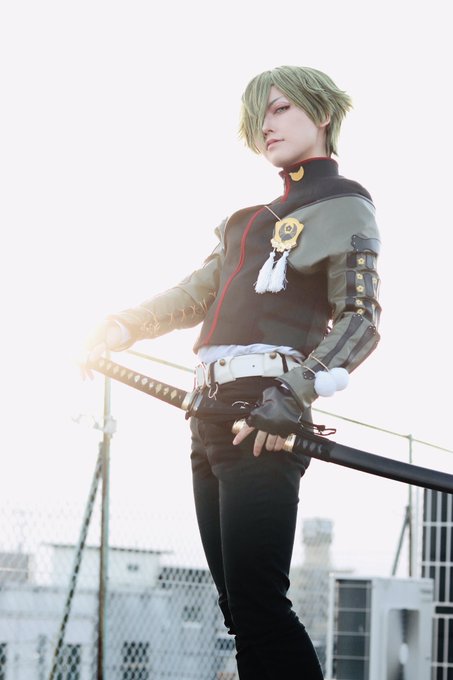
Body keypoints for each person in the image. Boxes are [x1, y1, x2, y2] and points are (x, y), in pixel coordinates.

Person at [83, 65, 381, 679]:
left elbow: (361, 320)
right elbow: (193, 294)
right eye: (259, 116)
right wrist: (118, 326)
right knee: (239, 612)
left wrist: (293, 396)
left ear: (322, 113)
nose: (266, 125)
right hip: (208, 414)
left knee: (260, 606)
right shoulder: (247, 220)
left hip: (267, 413)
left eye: (280, 109)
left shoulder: (343, 203)